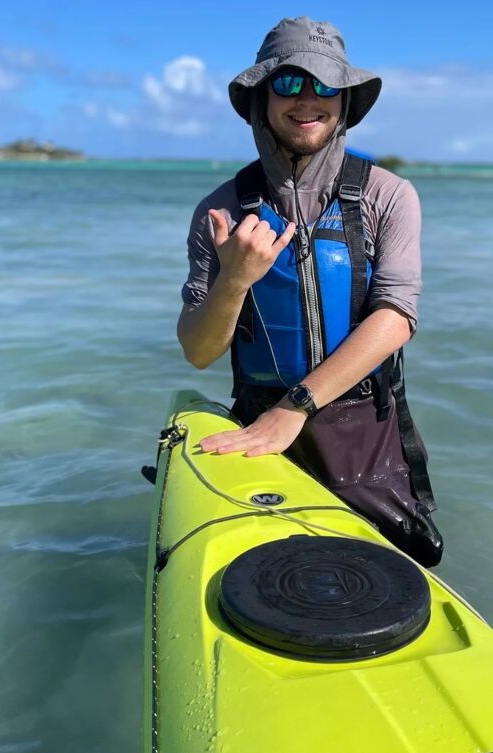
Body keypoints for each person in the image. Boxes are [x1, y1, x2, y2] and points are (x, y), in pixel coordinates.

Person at [177, 17, 443, 566]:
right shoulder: (220, 212)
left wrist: (297, 405)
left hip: (366, 433)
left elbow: (396, 317)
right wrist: (234, 280)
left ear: (345, 98)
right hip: (256, 426)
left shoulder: (388, 196)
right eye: (289, 83)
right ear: (259, 97)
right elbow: (199, 353)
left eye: (324, 85)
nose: (307, 99)